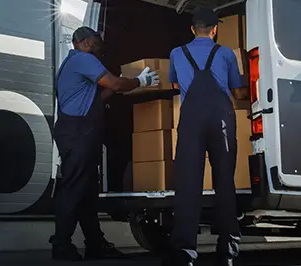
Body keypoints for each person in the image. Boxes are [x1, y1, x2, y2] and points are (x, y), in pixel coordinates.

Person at [51, 26, 159, 261]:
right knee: (74, 188)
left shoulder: (75, 63)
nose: (100, 44)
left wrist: (126, 83)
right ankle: (61, 244)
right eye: (97, 40)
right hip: (78, 132)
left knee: (87, 191)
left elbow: (98, 96)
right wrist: (139, 81)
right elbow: (115, 84)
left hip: (78, 131)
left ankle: (95, 243)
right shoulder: (83, 60)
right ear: (85, 41)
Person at [163, 9, 244, 266]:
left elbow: (174, 84)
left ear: (192, 29)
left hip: (191, 121)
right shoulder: (226, 53)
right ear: (214, 29)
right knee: (224, 184)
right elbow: (238, 92)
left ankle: (185, 253)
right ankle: (228, 253)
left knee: (188, 186)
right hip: (221, 119)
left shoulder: (177, 53)